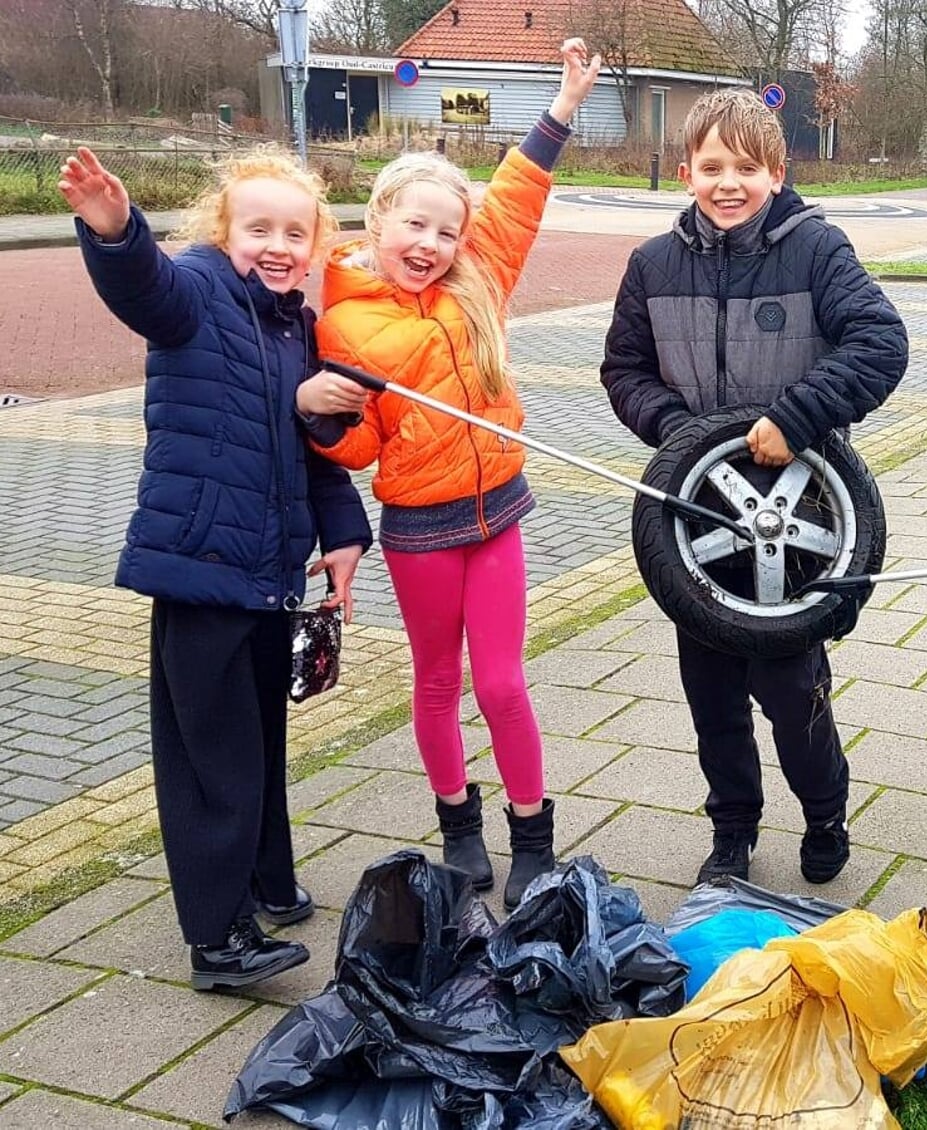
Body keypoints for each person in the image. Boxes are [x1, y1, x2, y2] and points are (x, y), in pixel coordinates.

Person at [301, 39, 601, 910]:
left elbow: (515, 201)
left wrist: (563, 106)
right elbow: (357, 450)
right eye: (415, 226)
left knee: (503, 681)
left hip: (497, 514)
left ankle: (533, 836)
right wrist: (322, 418)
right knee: (436, 682)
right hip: (420, 532)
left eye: (446, 230)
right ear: (377, 223)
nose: (431, 244)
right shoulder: (345, 324)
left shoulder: (481, 281)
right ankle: (458, 832)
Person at [63, 144, 371, 989]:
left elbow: (316, 452)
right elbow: (144, 290)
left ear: (315, 246)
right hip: (200, 569)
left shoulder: (297, 327)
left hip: (270, 575)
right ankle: (219, 936)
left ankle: (268, 881)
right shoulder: (197, 290)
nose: (277, 245)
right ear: (220, 230)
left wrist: (342, 534)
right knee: (213, 761)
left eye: (295, 232)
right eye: (257, 227)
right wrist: (116, 230)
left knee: (261, 739)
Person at [601, 88, 908, 887]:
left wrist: (797, 416)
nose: (727, 182)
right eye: (711, 167)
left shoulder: (816, 250)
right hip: (695, 520)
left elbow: (881, 343)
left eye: (746, 167)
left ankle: (823, 810)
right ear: (685, 171)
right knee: (711, 695)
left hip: (798, 518)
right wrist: (677, 433)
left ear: (777, 170)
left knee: (790, 689)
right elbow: (623, 369)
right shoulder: (653, 264)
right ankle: (732, 827)